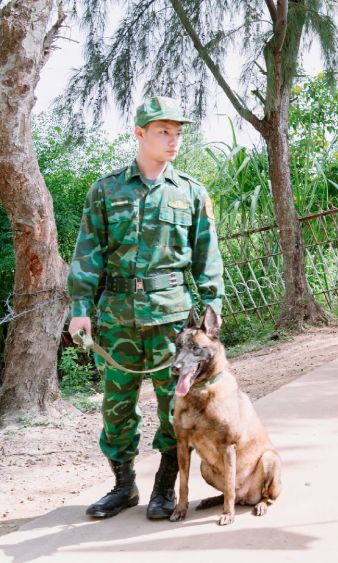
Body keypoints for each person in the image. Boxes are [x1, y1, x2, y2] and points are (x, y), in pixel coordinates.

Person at [67, 96, 224, 520]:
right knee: (116, 406)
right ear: (140, 133)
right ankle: (123, 486)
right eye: (163, 132)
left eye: (177, 133)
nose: (173, 141)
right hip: (117, 315)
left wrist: (213, 301)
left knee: (173, 406)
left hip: (173, 321)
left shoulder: (190, 191)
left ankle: (163, 489)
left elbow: (207, 254)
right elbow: (87, 252)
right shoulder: (106, 189)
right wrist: (80, 307)